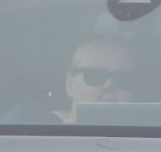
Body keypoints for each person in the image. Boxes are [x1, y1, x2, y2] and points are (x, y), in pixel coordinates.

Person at [1, 40, 137, 124]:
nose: (109, 86)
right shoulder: (25, 121)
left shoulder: (150, 132)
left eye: (122, 78)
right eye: (95, 75)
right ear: (70, 84)